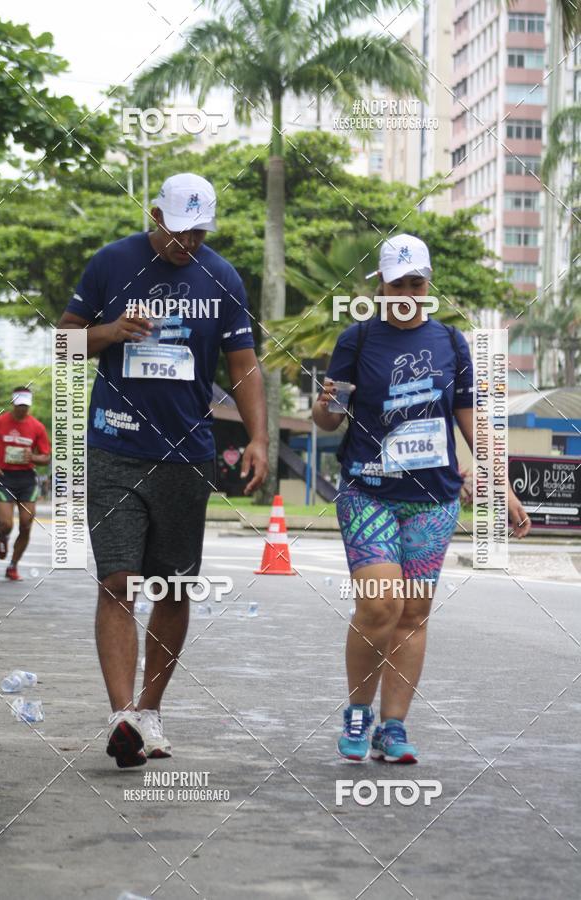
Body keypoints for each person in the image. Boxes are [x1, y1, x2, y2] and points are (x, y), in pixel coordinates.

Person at [58, 172, 268, 768]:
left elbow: (244, 364)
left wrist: (257, 437)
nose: (189, 243)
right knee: (117, 580)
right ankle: (122, 714)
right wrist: (111, 331)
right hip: (115, 447)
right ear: (155, 215)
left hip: (187, 453)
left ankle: (149, 711)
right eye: (179, 231)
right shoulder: (111, 264)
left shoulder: (222, 277)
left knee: (173, 589)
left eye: (199, 232)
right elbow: (63, 344)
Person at [313, 233, 531, 763]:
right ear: (381, 287)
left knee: (411, 612)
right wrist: (325, 405)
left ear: (427, 283)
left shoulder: (452, 344)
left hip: (432, 497)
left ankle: (394, 727)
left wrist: (500, 485)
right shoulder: (358, 340)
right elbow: (328, 417)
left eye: (416, 282)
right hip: (369, 491)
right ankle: (358, 714)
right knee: (380, 603)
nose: (407, 292)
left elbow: (471, 421)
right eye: (397, 284)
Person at [0, 388, 51, 580]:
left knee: (26, 524)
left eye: (26, 406)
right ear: (13, 403)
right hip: (5, 477)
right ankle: (2, 535)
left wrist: (33, 456)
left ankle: (13, 565)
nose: (23, 409)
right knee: (5, 523)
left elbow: (46, 457)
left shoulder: (37, 427)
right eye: (19, 405)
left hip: (27, 479)